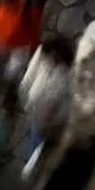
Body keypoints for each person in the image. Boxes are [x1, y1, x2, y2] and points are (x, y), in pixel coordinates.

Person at [19, 37, 74, 174]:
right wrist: (26, 100)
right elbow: (29, 76)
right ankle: (36, 160)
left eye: (58, 59)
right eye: (52, 57)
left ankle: (37, 165)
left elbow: (66, 103)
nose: (53, 60)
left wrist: (57, 120)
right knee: (35, 136)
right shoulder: (42, 55)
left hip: (50, 119)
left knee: (39, 141)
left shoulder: (68, 75)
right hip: (36, 110)